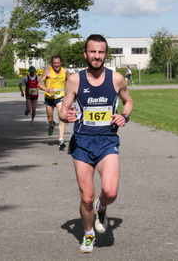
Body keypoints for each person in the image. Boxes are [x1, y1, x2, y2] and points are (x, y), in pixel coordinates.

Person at [59, 34, 133, 253]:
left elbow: (128, 101)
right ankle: (88, 233)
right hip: (82, 142)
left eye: (101, 52)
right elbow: (64, 109)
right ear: (85, 53)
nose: (97, 56)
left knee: (109, 192)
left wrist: (124, 116)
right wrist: (66, 116)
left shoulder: (116, 78)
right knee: (86, 197)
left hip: (108, 140)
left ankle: (102, 207)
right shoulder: (75, 80)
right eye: (93, 51)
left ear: (105, 54)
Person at [38, 55, 68, 150]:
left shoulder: (65, 71)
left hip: (60, 97)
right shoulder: (47, 71)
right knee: (50, 118)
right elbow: (39, 84)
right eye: (54, 63)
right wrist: (47, 89)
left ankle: (61, 140)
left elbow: (68, 82)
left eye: (58, 63)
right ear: (52, 63)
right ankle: (51, 124)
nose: (56, 65)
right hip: (49, 98)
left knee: (61, 117)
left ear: (61, 63)